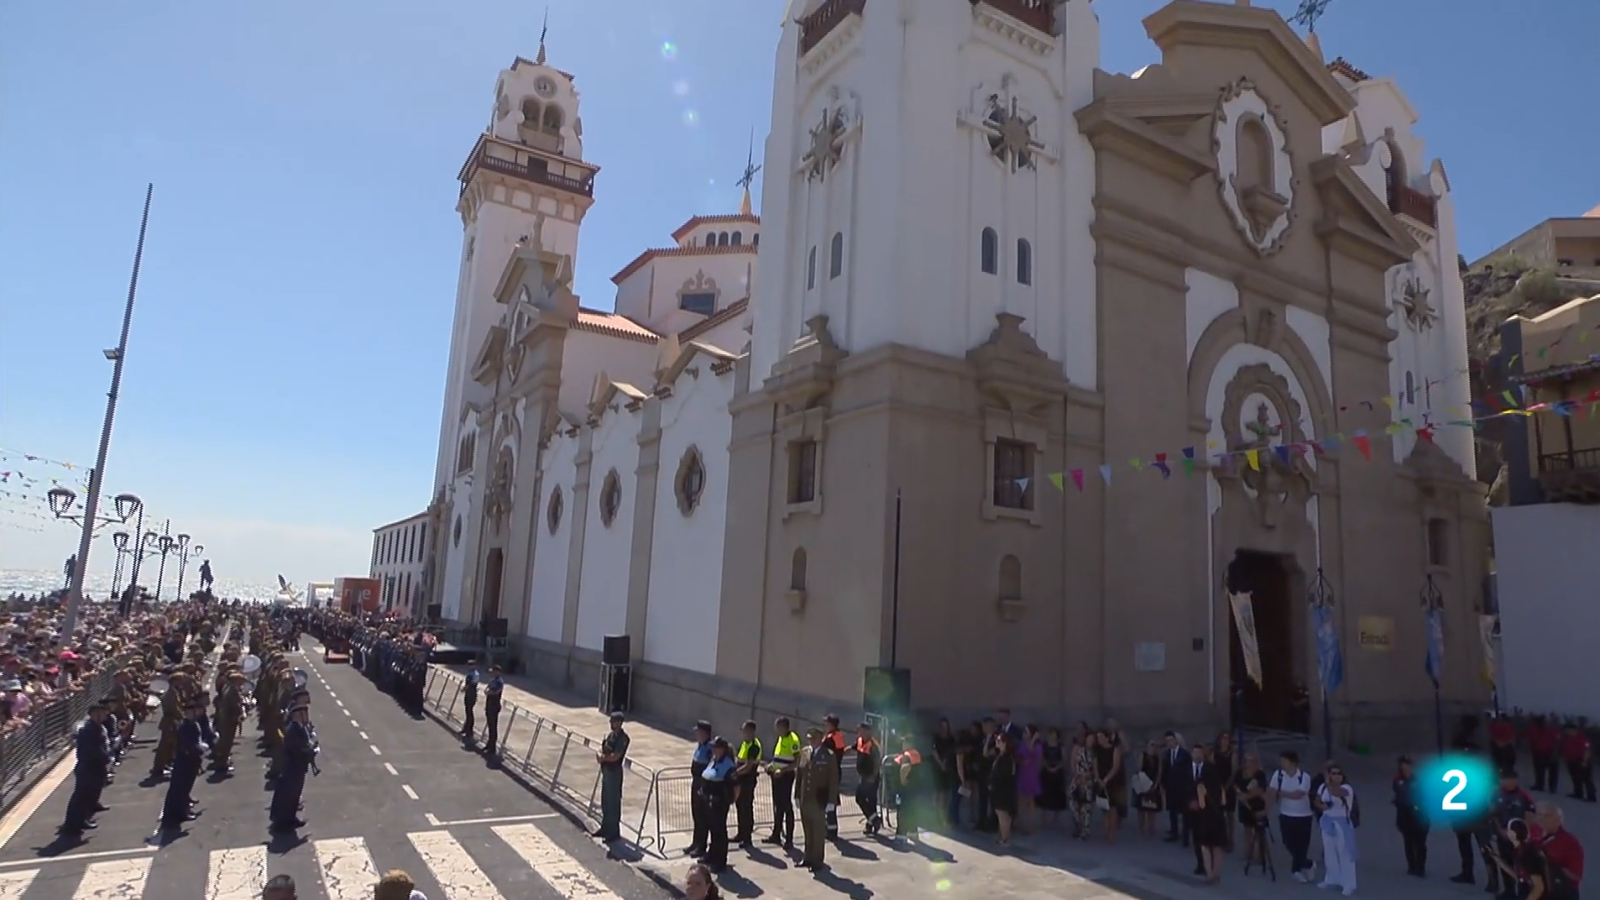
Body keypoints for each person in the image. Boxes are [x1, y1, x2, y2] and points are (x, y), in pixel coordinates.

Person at [61, 699, 113, 834]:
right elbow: (92, 750)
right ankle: (74, 824)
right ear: (95, 714)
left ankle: (81, 819)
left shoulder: (97, 727)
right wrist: (105, 757)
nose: (106, 715)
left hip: (95, 765)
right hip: (89, 766)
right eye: (102, 713)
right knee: (81, 796)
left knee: (89, 794)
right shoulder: (89, 729)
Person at [160, 700, 209, 831]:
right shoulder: (187, 726)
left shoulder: (193, 724)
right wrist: (202, 748)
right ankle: (179, 814)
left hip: (189, 760)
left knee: (184, 789)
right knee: (181, 789)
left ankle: (181, 812)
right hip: (186, 761)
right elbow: (189, 745)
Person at [795, 727, 838, 870]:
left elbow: (833, 780)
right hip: (805, 798)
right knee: (807, 830)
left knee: (818, 832)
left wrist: (832, 801)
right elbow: (800, 776)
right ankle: (807, 857)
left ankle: (817, 860)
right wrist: (796, 795)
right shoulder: (805, 752)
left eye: (813, 738)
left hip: (819, 800)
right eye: (809, 739)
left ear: (820, 739)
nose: (811, 741)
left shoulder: (828, 756)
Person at [269, 704, 316, 832]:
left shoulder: (300, 728)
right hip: (292, 768)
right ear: (297, 715)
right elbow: (298, 749)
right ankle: (283, 823)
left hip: (298, 767)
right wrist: (310, 751)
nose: (306, 716)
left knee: (295, 795)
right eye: (304, 714)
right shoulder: (293, 730)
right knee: (289, 796)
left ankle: (291, 818)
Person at [1271, 749, 1316, 883]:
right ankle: (1307, 863)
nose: (1282, 763)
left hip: (1303, 816)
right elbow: (1271, 791)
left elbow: (1299, 794)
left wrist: (1280, 793)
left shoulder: (1304, 777)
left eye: (1285, 761)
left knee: (1302, 844)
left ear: (1293, 762)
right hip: (1285, 814)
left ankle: (1296, 870)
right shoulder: (1278, 775)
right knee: (1288, 842)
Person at [1314, 763, 1358, 896]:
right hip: (1327, 821)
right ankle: (1331, 878)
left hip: (1342, 822)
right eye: (1333, 773)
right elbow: (1316, 800)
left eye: (1339, 773)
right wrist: (1321, 806)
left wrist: (1329, 783)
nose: (1336, 776)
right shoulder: (1323, 787)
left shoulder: (1347, 788)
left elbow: (1336, 792)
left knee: (1344, 853)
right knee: (1329, 853)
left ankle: (1348, 883)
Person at [698, 738, 737, 872]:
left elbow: (736, 786)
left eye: (716, 747)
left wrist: (731, 800)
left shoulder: (729, 765)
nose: (713, 749)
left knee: (719, 832)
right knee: (712, 829)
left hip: (719, 803)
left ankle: (720, 861)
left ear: (723, 749)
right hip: (708, 801)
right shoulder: (713, 760)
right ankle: (711, 854)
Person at [764, 717, 800, 848]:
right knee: (777, 806)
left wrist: (783, 771)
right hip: (776, 776)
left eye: (778, 727)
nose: (776, 730)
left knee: (786, 807)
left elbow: (796, 761)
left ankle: (789, 839)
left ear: (784, 727)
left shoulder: (793, 739)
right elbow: (779, 758)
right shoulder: (780, 738)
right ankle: (776, 834)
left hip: (786, 777)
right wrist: (771, 766)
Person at [593, 712, 629, 843]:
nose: (611, 724)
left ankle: (614, 831)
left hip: (614, 772)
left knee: (613, 802)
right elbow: (602, 748)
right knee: (605, 801)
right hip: (606, 770)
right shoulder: (611, 736)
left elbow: (616, 756)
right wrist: (599, 754)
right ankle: (605, 827)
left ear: (619, 722)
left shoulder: (623, 738)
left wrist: (604, 758)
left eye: (613, 721)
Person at [1392, 755, 1429, 878]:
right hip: (1404, 814)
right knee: (1408, 841)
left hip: (1418, 814)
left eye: (1408, 765)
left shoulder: (1418, 780)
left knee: (1420, 842)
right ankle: (1411, 866)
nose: (1406, 767)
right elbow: (1397, 794)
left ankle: (1420, 867)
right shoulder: (1397, 780)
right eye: (1404, 764)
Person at [685, 721, 714, 857]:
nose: (696, 734)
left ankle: (701, 846)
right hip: (695, 783)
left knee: (703, 817)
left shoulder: (709, 748)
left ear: (705, 733)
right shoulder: (700, 746)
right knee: (696, 815)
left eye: (698, 732)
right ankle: (695, 842)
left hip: (704, 785)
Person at [732, 720, 762, 846]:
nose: (743, 733)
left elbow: (748, 766)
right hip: (741, 780)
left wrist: (734, 773)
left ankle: (747, 837)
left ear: (751, 731)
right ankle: (740, 833)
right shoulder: (745, 744)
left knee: (746, 808)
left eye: (745, 731)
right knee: (740, 806)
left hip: (747, 781)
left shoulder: (754, 746)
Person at [853, 722, 883, 835]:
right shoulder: (860, 741)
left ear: (867, 731)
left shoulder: (873, 745)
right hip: (864, 776)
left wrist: (873, 776)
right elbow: (853, 748)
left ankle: (874, 820)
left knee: (859, 798)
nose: (858, 732)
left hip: (871, 778)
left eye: (860, 730)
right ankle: (871, 824)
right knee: (871, 802)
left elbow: (877, 762)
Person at [481, 666, 504, 755]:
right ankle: (489, 744)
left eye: (494, 671)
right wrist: (487, 691)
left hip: (494, 705)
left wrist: (489, 692)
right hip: (489, 704)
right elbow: (487, 689)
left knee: (493, 727)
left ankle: (492, 747)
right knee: (490, 726)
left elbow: (496, 692)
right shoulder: (492, 680)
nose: (492, 673)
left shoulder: (499, 682)